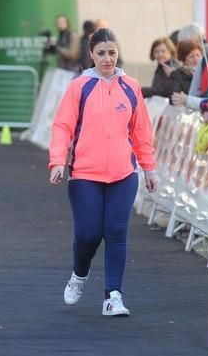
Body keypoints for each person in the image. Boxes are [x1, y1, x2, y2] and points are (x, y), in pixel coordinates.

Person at [49, 28, 158, 317]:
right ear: (91, 55)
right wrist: (58, 160)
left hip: (123, 174)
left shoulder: (130, 86)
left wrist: (148, 168)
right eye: (101, 53)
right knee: (88, 234)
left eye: (112, 52)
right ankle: (79, 275)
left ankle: (113, 296)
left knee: (116, 231)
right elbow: (62, 126)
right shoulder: (79, 87)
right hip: (85, 174)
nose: (107, 58)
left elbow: (141, 131)